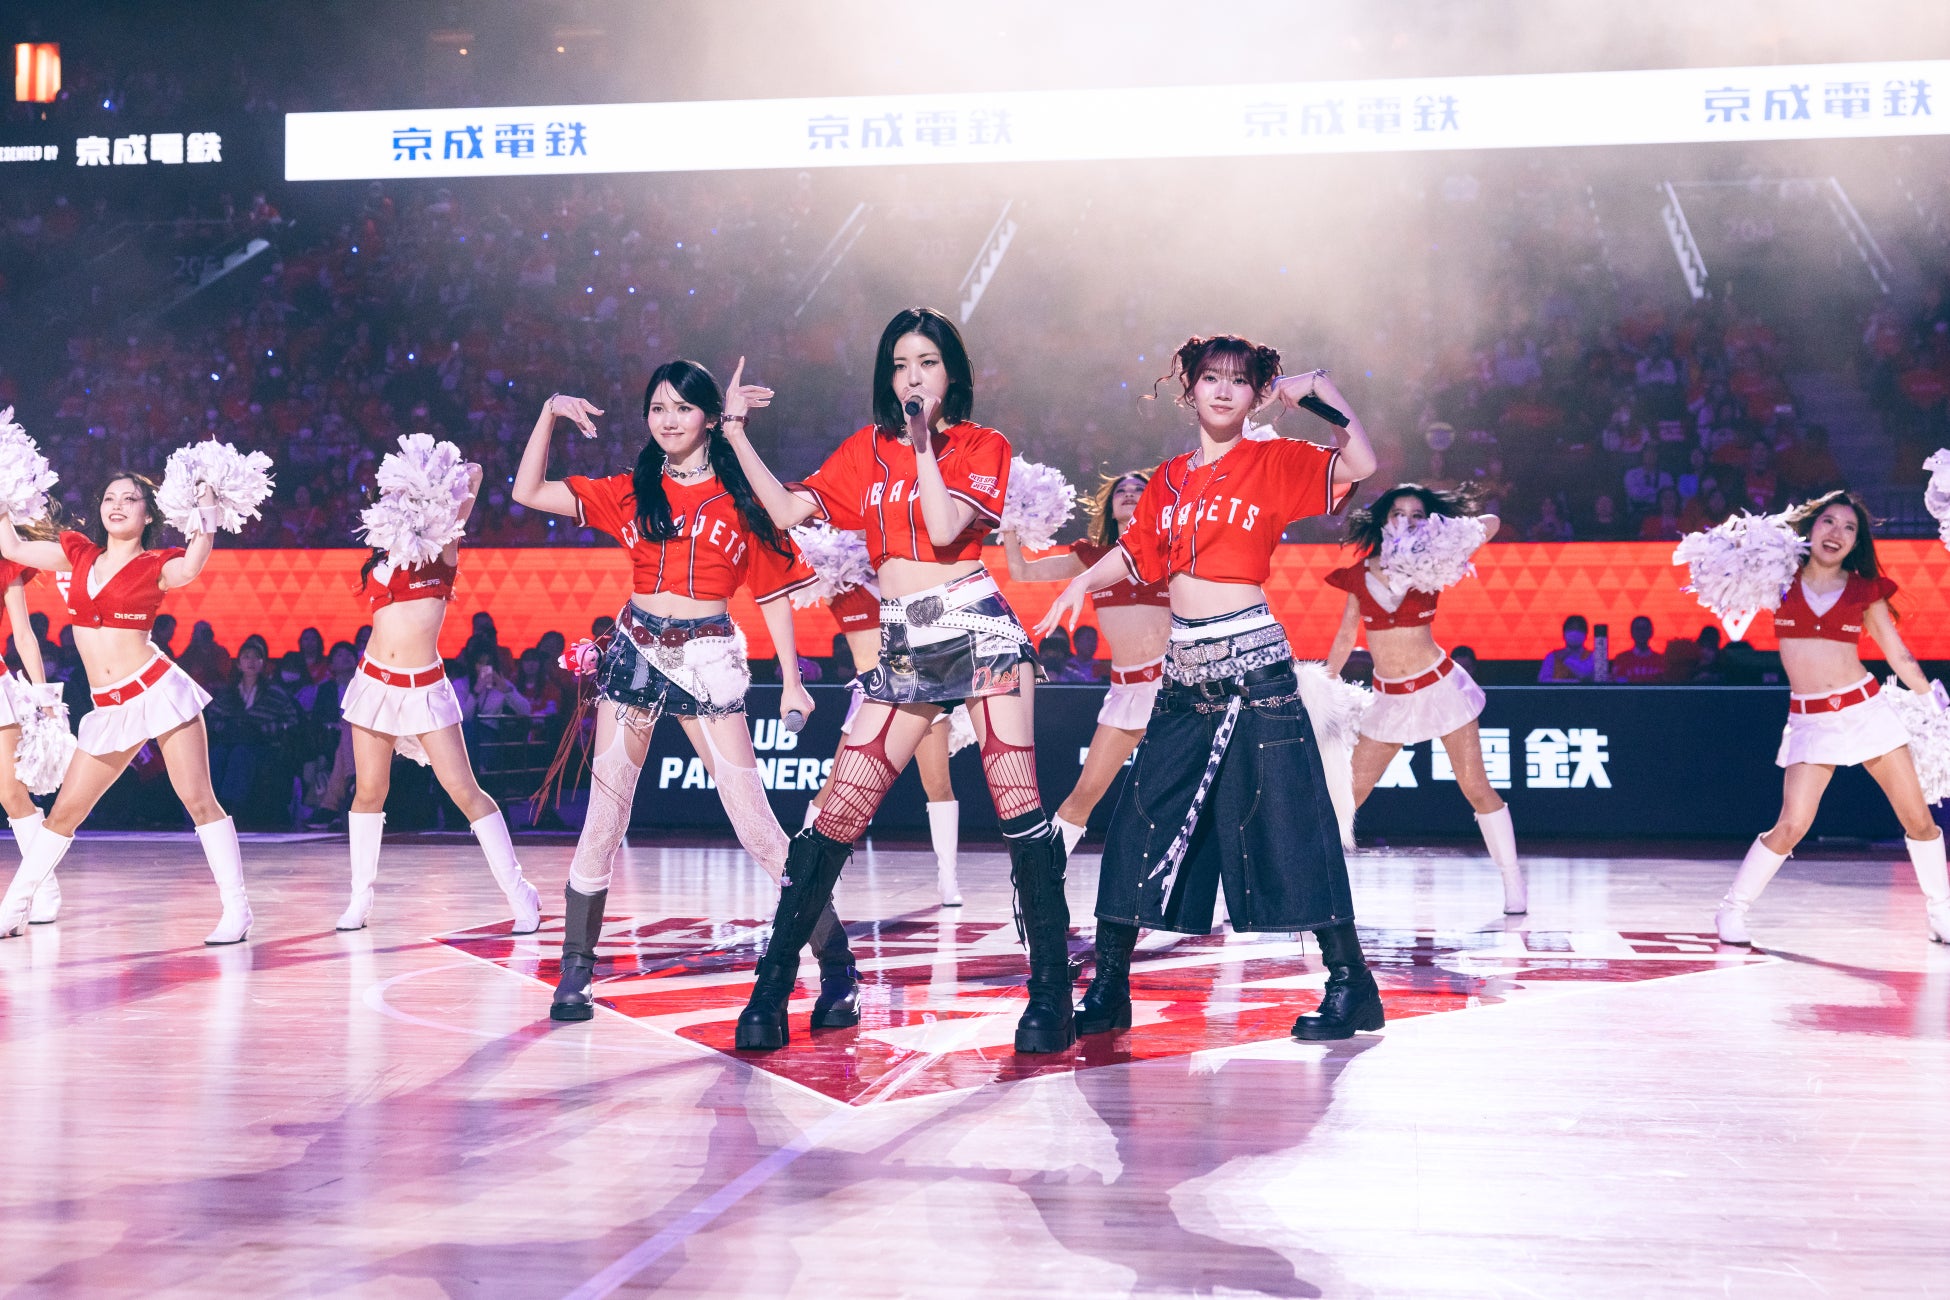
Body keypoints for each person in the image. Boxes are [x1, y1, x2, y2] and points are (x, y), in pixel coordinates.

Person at [717, 307, 1068, 1054]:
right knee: (835, 816)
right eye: (901, 364)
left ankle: (1050, 994)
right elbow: (786, 511)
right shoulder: (863, 450)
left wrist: (923, 444)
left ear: (952, 374)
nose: (913, 376)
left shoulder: (982, 444)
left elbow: (942, 531)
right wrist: (737, 433)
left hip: (977, 627)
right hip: (904, 640)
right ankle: (772, 988)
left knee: (1019, 808)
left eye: (927, 363)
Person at [1039, 338, 1382, 1041]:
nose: (1223, 390)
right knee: (1138, 825)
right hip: (1183, 678)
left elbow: (1361, 464)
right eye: (1210, 378)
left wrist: (1318, 392)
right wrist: (1079, 583)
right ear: (1189, 390)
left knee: (1292, 827)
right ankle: (1109, 988)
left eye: (1238, 381)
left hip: (1257, 676)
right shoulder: (1167, 479)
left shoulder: (1273, 461)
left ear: (1256, 393)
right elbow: (1135, 553)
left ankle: (1352, 986)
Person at [515, 361, 834, 1024]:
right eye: (658, 407)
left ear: (711, 418)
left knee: (758, 828)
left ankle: (838, 964)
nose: (667, 419)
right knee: (604, 821)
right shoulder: (631, 490)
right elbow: (528, 491)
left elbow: (774, 594)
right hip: (635, 652)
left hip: (709, 658)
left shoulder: (743, 498)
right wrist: (547, 412)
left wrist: (792, 681)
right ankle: (576, 971)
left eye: (683, 408)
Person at [0, 472, 252, 942]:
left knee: (198, 800)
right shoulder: (78, 553)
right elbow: (11, 547)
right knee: (64, 814)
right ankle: (13, 908)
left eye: (130, 499)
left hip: (157, 692)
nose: (117, 505)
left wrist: (207, 508)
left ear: (148, 514)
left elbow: (193, 564)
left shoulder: (156, 563)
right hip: (108, 708)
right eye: (110, 498)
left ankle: (237, 910)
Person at [1714, 491, 1948, 945]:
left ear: (1856, 541)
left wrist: (1936, 704)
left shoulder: (1863, 590)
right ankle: (1732, 910)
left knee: (1918, 819)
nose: (1837, 532)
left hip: (1866, 711)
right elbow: (1729, 563)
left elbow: (1897, 654)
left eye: (1849, 527)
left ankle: (1942, 913)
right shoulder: (1780, 579)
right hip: (1811, 720)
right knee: (1792, 825)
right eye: (1828, 522)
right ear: (1811, 527)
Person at [334, 459, 543, 935]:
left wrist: (445, 478)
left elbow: (474, 478)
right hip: (374, 684)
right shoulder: (380, 556)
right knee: (369, 791)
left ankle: (520, 892)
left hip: (424, 688)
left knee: (464, 790)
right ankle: (360, 898)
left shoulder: (442, 549)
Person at [1323, 485, 1525, 913]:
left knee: (1475, 787)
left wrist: (1439, 537)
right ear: (1384, 519)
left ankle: (1513, 884)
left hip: (1439, 689)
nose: (1408, 521)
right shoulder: (1359, 574)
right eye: (1399, 513)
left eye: (1418, 515)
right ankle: (1307, 885)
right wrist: (1326, 684)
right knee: (1347, 793)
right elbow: (1344, 636)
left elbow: (1491, 523)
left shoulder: (1434, 562)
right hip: (1389, 700)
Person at [1003, 468, 1170, 852]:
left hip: (1172, 689)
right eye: (1121, 490)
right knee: (1084, 796)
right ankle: (1046, 875)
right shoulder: (1091, 557)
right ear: (1109, 506)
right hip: (1125, 691)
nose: (1130, 493)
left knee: (1193, 795)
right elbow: (1021, 572)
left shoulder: (1171, 549)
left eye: (1139, 489)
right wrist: (1010, 522)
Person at [804, 579, 967, 906]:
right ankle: (806, 871)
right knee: (838, 786)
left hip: (923, 686)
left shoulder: (910, 573)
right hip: (874, 691)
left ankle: (948, 878)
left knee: (938, 783)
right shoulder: (843, 579)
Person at [0, 527, 58, 921]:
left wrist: (45, 697)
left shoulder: (6, 563)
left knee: (11, 792)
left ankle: (43, 888)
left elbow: (23, 635)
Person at [206, 634, 301, 830]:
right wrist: (230, 728)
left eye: (257, 657)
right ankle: (210, 809)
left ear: (263, 663)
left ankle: (233, 809)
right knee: (217, 755)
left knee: (241, 754)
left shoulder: (275, 694)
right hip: (229, 742)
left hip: (262, 745)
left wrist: (262, 729)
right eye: (246, 657)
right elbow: (213, 719)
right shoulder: (227, 693)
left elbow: (291, 721)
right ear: (239, 663)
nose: (251, 661)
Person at [1538, 615, 1596, 682]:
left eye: (1578, 629)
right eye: (1571, 628)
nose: (1574, 632)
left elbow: (1586, 676)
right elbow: (1543, 681)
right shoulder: (1553, 656)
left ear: (1586, 634)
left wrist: (1566, 659)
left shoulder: (1592, 656)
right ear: (1564, 633)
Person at [1610, 615, 1666, 684]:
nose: (1641, 633)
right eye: (1638, 629)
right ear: (1632, 632)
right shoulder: (1622, 659)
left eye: (1645, 629)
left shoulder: (1661, 660)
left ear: (1651, 632)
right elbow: (1619, 684)